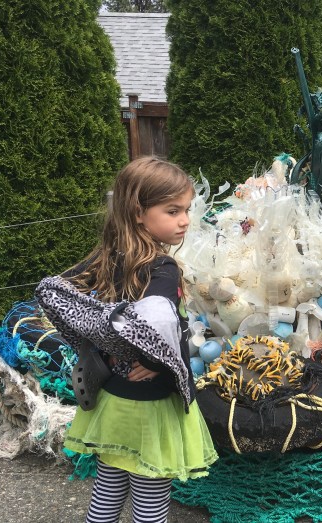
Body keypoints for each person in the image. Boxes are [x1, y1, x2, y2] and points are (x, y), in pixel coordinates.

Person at [59, 156, 217, 523]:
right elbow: (156, 318)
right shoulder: (162, 268)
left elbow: (60, 292)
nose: (185, 220)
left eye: (187, 209)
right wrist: (155, 358)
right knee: (150, 502)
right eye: (172, 211)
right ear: (138, 212)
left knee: (107, 491)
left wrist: (105, 346)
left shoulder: (106, 258)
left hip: (113, 401)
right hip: (152, 407)